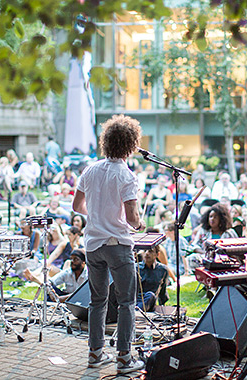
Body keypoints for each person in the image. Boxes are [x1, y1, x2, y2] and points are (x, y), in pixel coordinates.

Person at [72, 114, 146, 373]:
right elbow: (132, 217)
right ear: (131, 144)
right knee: (126, 302)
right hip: (118, 243)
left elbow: (76, 205)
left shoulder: (90, 169)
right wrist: (139, 224)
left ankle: (95, 354)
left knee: (97, 301)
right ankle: (124, 359)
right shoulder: (126, 176)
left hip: (93, 244)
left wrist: (96, 215)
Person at [136, 246, 169, 312]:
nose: (147, 253)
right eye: (145, 251)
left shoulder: (162, 269)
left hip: (150, 301)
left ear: (157, 254)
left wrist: (163, 307)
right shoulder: (135, 268)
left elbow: (163, 291)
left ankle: (137, 312)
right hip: (135, 300)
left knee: (150, 295)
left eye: (150, 251)